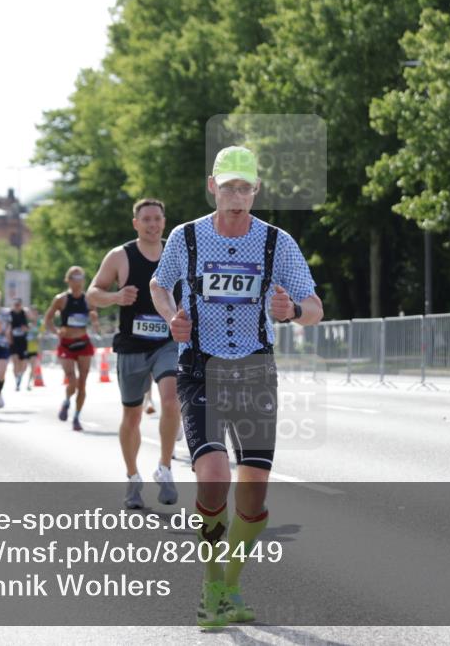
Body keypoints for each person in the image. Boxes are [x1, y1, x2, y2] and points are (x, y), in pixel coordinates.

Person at [150, 146, 323, 627]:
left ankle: (231, 580)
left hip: (254, 370)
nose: (236, 197)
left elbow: (314, 306)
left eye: (244, 188)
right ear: (213, 187)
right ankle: (210, 587)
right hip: (199, 366)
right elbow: (159, 285)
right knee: (212, 477)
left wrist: (291, 312)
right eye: (228, 187)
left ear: (256, 191)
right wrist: (172, 318)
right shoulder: (185, 239)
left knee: (254, 493)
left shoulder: (277, 243)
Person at [88, 198, 182, 509]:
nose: (153, 224)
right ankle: (132, 477)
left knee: (170, 401)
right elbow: (93, 293)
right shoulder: (120, 256)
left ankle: (165, 468)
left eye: (157, 218)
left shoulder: (177, 251)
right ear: (136, 224)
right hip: (131, 344)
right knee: (132, 416)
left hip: (167, 342)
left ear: (164, 221)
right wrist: (116, 296)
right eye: (146, 219)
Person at [44, 266, 101, 430]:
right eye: (74, 278)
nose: (78, 282)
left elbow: (94, 321)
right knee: (72, 380)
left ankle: (76, 417)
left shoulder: (89, 299)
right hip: (66, 344)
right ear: (68, 280)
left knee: (82, 383)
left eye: (81, 278)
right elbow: (48, 319)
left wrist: (95, 321)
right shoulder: (61, 299)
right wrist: (56, 332)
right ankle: (67, 401)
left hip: (83, 342)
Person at [8, 298, 31, 390]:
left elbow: (32, 321)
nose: (17, 306)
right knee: (15, 361)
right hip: (13, 341)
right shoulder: (10, 314)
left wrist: (26, 328)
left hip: (24, 342)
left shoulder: (25, 313)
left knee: (24, 364)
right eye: (15, 304)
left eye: (18, 304)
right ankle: (17, 381)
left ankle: (20, 376)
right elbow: (7, 327)